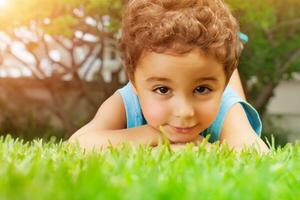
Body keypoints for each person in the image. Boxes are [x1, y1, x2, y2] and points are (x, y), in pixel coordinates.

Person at [69, 0, 269, 152]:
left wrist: (205, 149)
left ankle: (230, 59)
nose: (184, 112)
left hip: (224, 89)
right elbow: (76, 145)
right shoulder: (127, 99)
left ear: (222, 86)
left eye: (201, 89)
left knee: (226, 78)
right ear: (133, 80)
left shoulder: (226, 105)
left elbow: (256, 155)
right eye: (162, 89)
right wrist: (155, 135)